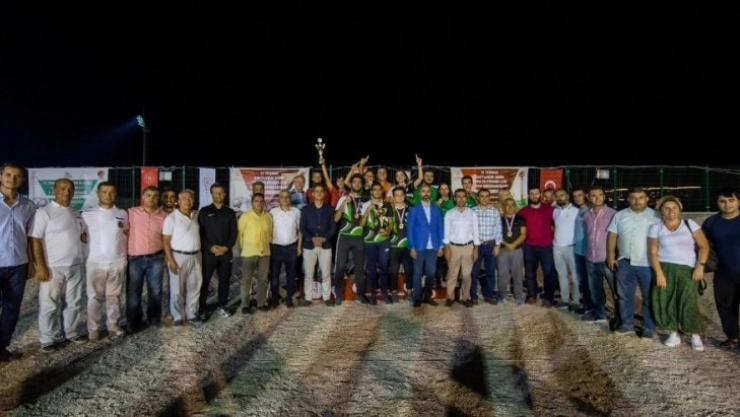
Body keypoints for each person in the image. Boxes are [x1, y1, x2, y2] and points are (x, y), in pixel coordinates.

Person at [30, 178, 87, 352]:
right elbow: (35, 239)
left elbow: (83, 235)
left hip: (75, 265)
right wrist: (40, 265)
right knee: (50, 303)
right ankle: (48, 338)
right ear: (54, 190)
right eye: (62, 188)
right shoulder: (44, 212)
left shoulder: (76, 213)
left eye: (70, 189)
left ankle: (71, 332)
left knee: (75, 302)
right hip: (52, 266)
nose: (66, 192)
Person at [648, 195, 710, 350]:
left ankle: (695, 334)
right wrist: (659, 273)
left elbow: (704, 246)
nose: (671, 211)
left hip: (687, 270)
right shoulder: (655, 228)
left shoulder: (690, 224)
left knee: (688, 301)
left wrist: (700, 266)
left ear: (679, 209)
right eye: (667, 208)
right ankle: (673, 333)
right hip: (665, 268)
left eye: (674, 208)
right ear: (661, 211)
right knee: (665, 300)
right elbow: (653, 252)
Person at [607, 187, 661, 337]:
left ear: (647, 199)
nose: (637, 201)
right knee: (624, 296)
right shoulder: (620, 215)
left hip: (648, 264)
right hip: (625, 263)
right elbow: (612, 236)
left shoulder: (656, 216)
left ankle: (649, 327)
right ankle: (627, 325)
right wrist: (611, 256)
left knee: (649, 297)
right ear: (628, 199)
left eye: (641, 197)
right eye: (633, 198)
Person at [82, 181, 129, 340]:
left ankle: (113, 324)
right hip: (95, 262)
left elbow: (125, 233)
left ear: (115, 194)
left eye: (111, 192)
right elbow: (82, 235)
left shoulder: (122, 213)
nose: (108, 195)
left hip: (117, 261)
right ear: (98, 194)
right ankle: (93, 328)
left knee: (113, 296)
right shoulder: (87, 214)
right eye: (104, 192)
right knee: (94, 297)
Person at [0, 162, 37, 361]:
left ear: (22, 180)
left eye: (17, 176)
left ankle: (2, 347)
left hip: (18, 265)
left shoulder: (28, 206)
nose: (12, 179)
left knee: (12, 309)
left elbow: (30, 237)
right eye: (8, 174)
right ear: (0, 176)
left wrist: (31, 262)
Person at [701, 188, 740, 349]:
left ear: (738, 202)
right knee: (725, 306)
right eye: (722, 201)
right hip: (723, 272)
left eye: (731, 200)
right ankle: (733, 337)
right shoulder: (711, 223)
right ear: (717, 203)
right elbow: (702, 246)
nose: (727, 204)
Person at [126, 186, 167, 334]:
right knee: (133, 292)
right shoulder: (131, 213)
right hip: (135, 259)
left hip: (156, 258)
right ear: (143, 197)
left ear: (158, 198)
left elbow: (166, 237)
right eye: (148, 195)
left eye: (155, 196)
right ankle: (133, 322)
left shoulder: (164, 216)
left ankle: (153, 319)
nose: (151, 198)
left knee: (155, 291)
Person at [163, 189, 203, 326]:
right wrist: (171, 261)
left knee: (195, 287)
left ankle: (192, 314)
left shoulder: (195, 215)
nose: (188, 201)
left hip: (196, 256)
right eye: (184, 198)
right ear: (178, 201)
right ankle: (177, 316)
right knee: (177, 289)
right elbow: (166, 242)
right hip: (178, 257)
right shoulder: (171, 218)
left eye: (190, 198)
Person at [198, 183, 237, 319]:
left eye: (221, 192)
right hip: (209, 254)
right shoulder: (204, 211)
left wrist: (226, 247)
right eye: (216, 192)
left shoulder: (230, 212)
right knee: (204, 281)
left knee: (224, 280)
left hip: (226, 253)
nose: (218, 195)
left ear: (225, 194)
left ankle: (222, 305)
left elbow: (234, 232)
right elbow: (200, 233)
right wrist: (210, 247)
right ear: (212, 194)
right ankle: (201, 307)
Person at [582, 185, 618, 325]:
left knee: (616, 290)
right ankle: (600, 315)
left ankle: (620, 317)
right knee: (595, 289)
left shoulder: (614, 214)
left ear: (604, 196)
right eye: (593, 195)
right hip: (590, 258)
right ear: (589, 198)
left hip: (607, 258)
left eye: (600, 195)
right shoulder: (586, 215)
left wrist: (614, 256)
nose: (597, 198)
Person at [333, 174, 368, 305]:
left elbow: (364, 222)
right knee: (340, 266)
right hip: (344, 236)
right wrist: (344, 204)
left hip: (359, 237)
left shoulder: (365, 201)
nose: (357, 184)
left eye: (359, 182)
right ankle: (338, 295)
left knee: (360, 268)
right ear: (351, 184)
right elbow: (336, 219)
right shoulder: (343, 198)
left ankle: (360, 295)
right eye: (354, 182)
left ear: (362, 185)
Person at [407, 182, 444, 307]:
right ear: (419, 194)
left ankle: (427, 296)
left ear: (431, 194)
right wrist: (411, 247)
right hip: (418, 246)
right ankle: (417, 298)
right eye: (423, 191)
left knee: (430, 273)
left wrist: (441, 246)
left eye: (428, 191)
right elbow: (410, 230)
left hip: (433, 246)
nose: (426, 193)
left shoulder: (436, 209)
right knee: (417, 273)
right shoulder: (414, 210)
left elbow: (440, 228)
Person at [518, 187, 556, 307]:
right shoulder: (523, 212)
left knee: (549, 273)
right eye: (531, 194)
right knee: (529, 273)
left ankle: (548, 298)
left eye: (536, 193)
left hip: (546, 246)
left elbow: (557, 225)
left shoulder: (550, 210)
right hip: (529, 246)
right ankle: (532, 295)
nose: (534, 196)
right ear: (528, 196)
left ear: (540, 195)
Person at [299, 184, 336, 306]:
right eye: (316, 191)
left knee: (326, 273)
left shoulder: (330, 209)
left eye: (321, 191)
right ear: (312, 194)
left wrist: (325, 238)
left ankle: (327, 297)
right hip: (309, 245)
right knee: (308, 273)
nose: (319, 193)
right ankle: (308, 298)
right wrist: (312, 238)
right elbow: (302, 227)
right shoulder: (305, 210)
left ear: (324, 194)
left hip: (325, 245)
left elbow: (333, 228)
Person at [443, 188, 480, 308]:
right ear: (455, 198)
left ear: (466, 198)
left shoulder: (472, 213)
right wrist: (447, 249)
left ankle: (465, 297)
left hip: (469, 247)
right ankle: (450, 297)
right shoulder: (449, 214)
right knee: (452, 274)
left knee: (466, 275)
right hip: (453, 247)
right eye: (458, 196)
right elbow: (446, 232)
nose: (461, 199)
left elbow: (476, 231)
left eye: (463, 196)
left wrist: (476, 249)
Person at [237, 192, 273, 313]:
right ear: (252, 203)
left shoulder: (268, 216)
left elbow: (270, 233)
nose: (259, 203)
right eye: (256, 201)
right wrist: (244, 247)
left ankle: (261, 303)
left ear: (264, 203)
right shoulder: (245, 216)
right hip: (249, 253)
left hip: (265, 253)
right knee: (247, 280)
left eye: (261, 201)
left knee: (263, 280)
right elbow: (240, 234)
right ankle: (245, 304)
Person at [361, 182, 395, 304]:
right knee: (371, 268)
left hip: (383, 240)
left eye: (379, 189)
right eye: (374, 189)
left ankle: (385, 294)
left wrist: (388, 232)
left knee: (384, 267)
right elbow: (361, 225)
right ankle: (373, 295)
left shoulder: (387, 205)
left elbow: (391, 223)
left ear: (382, 191)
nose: (377, 191)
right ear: (371, 192)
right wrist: (367, 211)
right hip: (370, 240)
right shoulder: (365, 204)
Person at [269, 189, 302, 308]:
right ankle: (275, 300)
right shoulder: (272, 212)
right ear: (279, 199)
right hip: (276, 248)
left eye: (287, 197)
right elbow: (268, 229)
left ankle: (289, 299)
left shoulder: (296, 212)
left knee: (291, 275)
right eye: (282, 197)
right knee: (274, 276)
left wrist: (299, 247)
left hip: (291, 248)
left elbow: (300, 231)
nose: (285, 199)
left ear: (290, 199)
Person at [470, 188, 502, 304]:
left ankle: (488, 295)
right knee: (474, 272)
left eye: (486, 196)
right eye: (481, 196)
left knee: (490, 271)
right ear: (478, 198)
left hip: (491, 245)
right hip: (477, 246)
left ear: (489, 198)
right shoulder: (472, 211)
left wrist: (497, 245)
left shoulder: (494, 211)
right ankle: (473, 296)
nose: (484, 198)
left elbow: (498, 229)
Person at [552, 188, 581, 311]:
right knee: (561, 275)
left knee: (575, 276)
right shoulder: (555, 211)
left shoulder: (576, 211)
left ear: (567, 196)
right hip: (557, 247)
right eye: (557, 196)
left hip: (571, 247)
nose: (559, 197)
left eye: (562, 195)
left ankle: (575, 301)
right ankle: (564, 299)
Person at [498, 198, 527, 305]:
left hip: (517, 250)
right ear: (503, 207)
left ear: (515, 206)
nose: (510, 207)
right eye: (507, 205)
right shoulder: (499, 219)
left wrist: (513, 245)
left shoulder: (520, 218)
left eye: (512, 205)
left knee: (517, 274)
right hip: (503, 250)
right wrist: (507, 244)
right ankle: (502, 296)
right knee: (502, 274)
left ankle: (518, 296)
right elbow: (497, 234)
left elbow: (523, 234)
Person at [572, 187, 593, 316]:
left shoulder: (591, 211)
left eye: (579, 195)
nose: (577, 198)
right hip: (578, 251)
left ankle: (594, 307)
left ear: (586, 195)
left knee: (591, 282)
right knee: (583, 280)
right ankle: (587, 305)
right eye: (575, 196)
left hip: (589, 252)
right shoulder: (577, 211)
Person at [388, 186, 412, 304]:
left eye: (401, 195)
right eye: (397, 195)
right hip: (393, 245)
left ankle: (409, 292)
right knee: (393, 270)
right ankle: (393, 292)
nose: (399, 197)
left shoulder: (410, 210)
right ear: (393, 197)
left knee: (409, 269)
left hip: (407, 245)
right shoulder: (389, 210)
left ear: (405, 196)